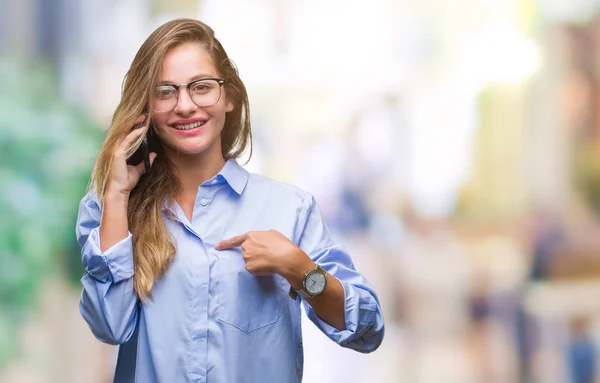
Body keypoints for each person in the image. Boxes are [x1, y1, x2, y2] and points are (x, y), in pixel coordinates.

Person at [76, 18, 384, 383]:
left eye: (202, 87)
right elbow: (109, 327)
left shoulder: (290, 209)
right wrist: (116, 194)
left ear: (230, 97)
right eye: (165, 91)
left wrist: (300, 269)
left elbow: (366, 329)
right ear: (146, 108)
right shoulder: (112, 207)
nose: (185, 105)